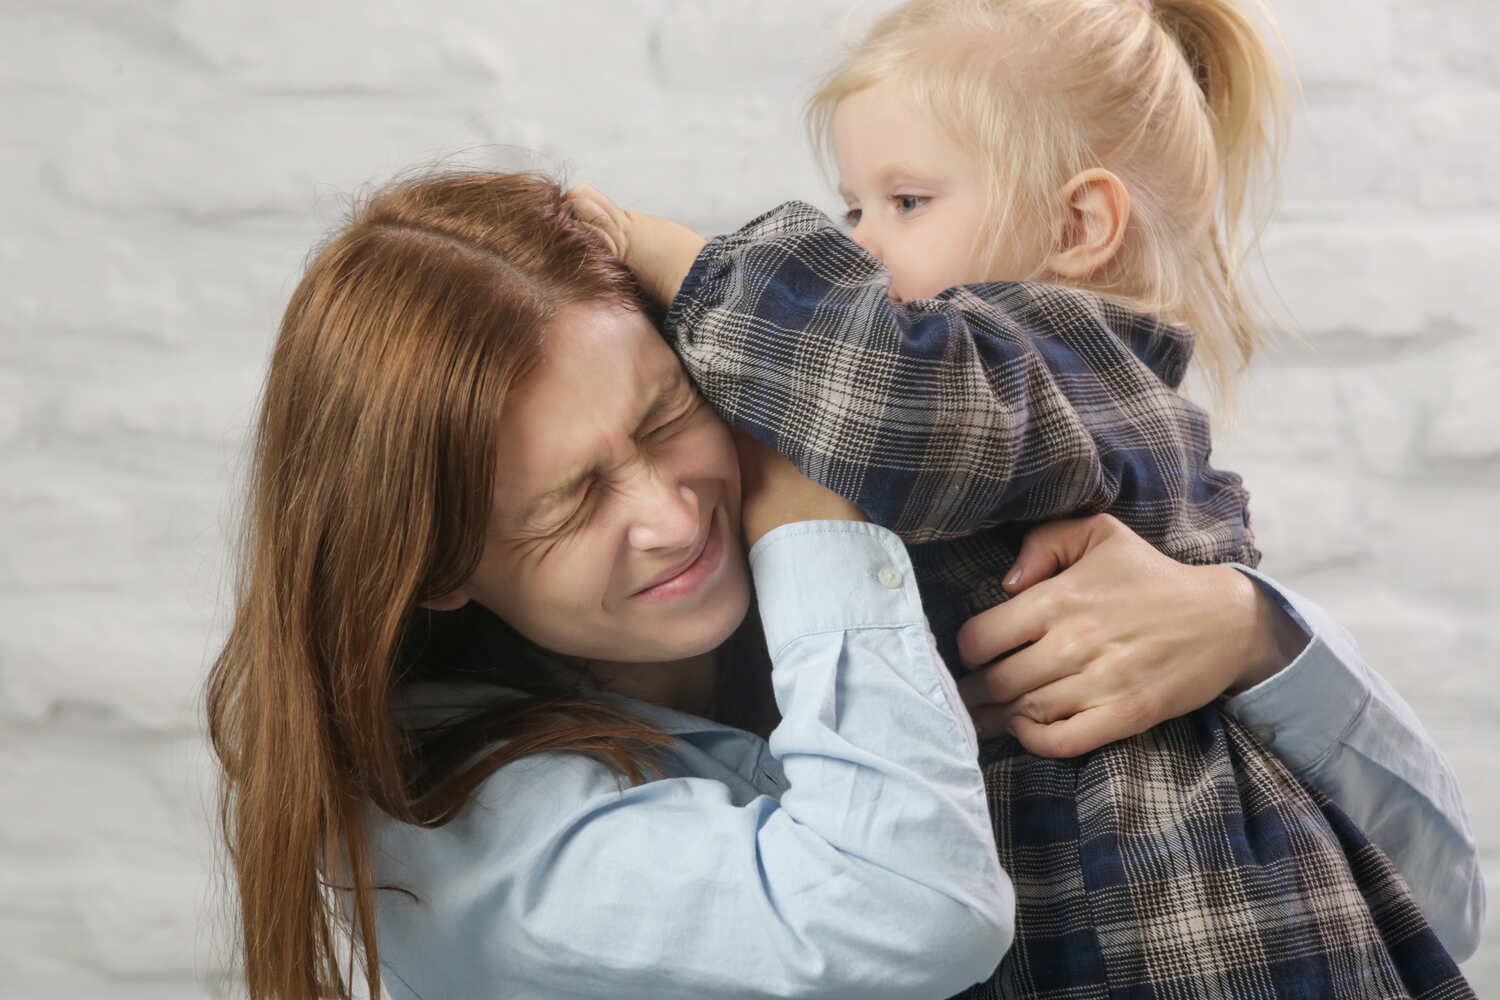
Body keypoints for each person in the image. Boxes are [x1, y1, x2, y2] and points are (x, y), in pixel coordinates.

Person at [207, 170, 1476, 1000]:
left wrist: (1248, 637)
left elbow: (1442, 894)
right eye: (569, 502)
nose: (665, 515)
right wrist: (810, 490)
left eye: (664, 418)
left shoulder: (884, 610)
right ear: (429, 565)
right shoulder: (466, 839)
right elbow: (909, 917)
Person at [561, 0, 1483, 992]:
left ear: (1076, 225)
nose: (863, 247)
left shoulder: (1063, 356)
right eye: (853, 210)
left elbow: (896, 401)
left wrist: (685, 263)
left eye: (907, 202)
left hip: (1190, 919)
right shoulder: (1003, 372)